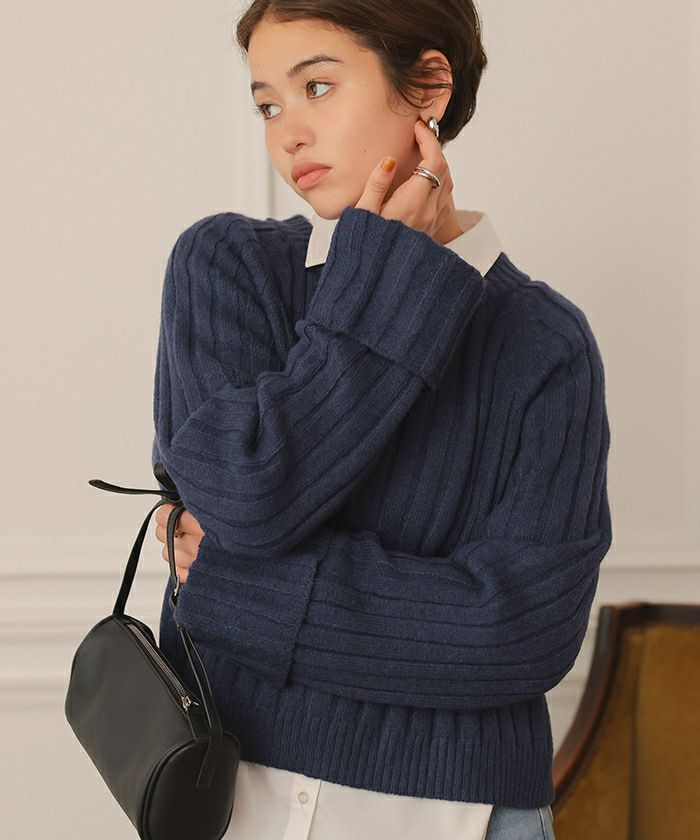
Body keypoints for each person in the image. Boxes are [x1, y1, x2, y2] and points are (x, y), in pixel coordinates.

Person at [151, 2, 612, 838]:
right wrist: (388, 284)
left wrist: (239, 587)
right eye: (267, 104)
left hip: (467, 816)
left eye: (318, 87)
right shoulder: (226, 267)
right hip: (231, 799)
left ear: (428, 86)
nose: (287, 134)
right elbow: (251, 494)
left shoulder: (543, 342)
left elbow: (518, 634)